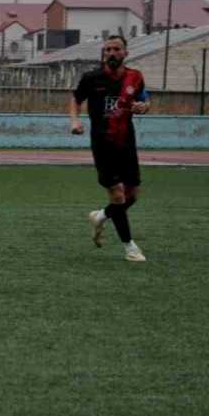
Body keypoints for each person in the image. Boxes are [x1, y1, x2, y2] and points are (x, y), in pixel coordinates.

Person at [70, 35, 149, 263]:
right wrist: (74, 122)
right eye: (108, 50)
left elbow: (144, 100)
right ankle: (130, 248)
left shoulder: (135, 77)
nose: (111, 53)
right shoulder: (92, 78)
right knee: (117, 194)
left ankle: (101, 216)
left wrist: (143, 107)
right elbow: (76, 99)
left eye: (116, 49)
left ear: (126, 53)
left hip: (126, 142)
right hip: (102, 143)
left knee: (131, 196)